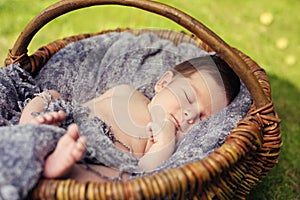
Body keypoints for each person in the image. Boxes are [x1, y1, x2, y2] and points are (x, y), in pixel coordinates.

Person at [19, 55, 240, 181]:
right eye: (187, 96)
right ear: (163, 83)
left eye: (202, 117)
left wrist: (163, 142)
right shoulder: (125, 91)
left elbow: (145, 172)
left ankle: (66, 170)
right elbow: (80, 105)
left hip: (91, 159)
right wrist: (52, 106)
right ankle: (28, 127)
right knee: (52, 98)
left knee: (122, 180)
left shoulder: (164, 140)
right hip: (67, 126)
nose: (189, 115)